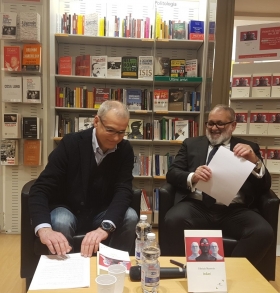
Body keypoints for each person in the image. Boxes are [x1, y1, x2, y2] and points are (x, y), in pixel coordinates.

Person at [165, 104, 273, 270]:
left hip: (234, 209)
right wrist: (192, 177)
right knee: (172, 220)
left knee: (263, 231)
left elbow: (265, 185)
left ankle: (231, 274)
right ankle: (181, 272)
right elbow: (172, 173)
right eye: (210, 123)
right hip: (197, 205)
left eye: (220, 124)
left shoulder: (248, 148)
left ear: (233, 125)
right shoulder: (191, 144)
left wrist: (255, 162)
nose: (214, 128)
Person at [28, 100, 138, 257]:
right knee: (61, 221)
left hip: (101, 211)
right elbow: (41, 188)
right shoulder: (71, 143)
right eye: (110, 130)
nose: (116, 139)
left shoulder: (125, 149)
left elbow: (123, 189)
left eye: (121, 132)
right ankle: (67, 276)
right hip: (67, 208)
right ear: (96, 121)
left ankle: (114, 268)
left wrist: (105, 227)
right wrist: (44, 228)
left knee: (130, 216)